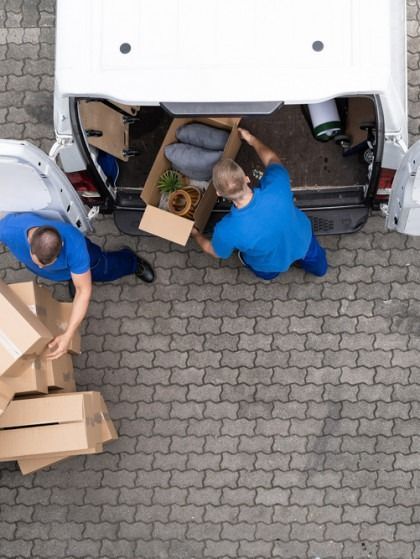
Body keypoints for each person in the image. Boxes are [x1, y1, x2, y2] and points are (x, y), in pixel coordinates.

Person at [0, 212, 154, 359]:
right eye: (37, 262)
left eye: (46, 263)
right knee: (76, 278)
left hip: (87, 261)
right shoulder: (9, 229)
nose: (40, 267)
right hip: (63, 272)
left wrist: (68, 335)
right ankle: (74, 277)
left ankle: (131, 262)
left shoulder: (75, 244)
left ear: (61, 246)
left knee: (104, 268)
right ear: (30, 240)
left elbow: (83, 291)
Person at [191, 128, 328, 280]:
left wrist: (195, 233)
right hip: (303, 240)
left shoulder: (226, 230)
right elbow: (271, 159)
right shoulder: (277, 185)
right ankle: (320, 270)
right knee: (319, 265)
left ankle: (271, 274)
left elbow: (214, 250)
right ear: (246, 179)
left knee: (264, 270)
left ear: (219, 194)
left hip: (269, 263)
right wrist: (250, 139)